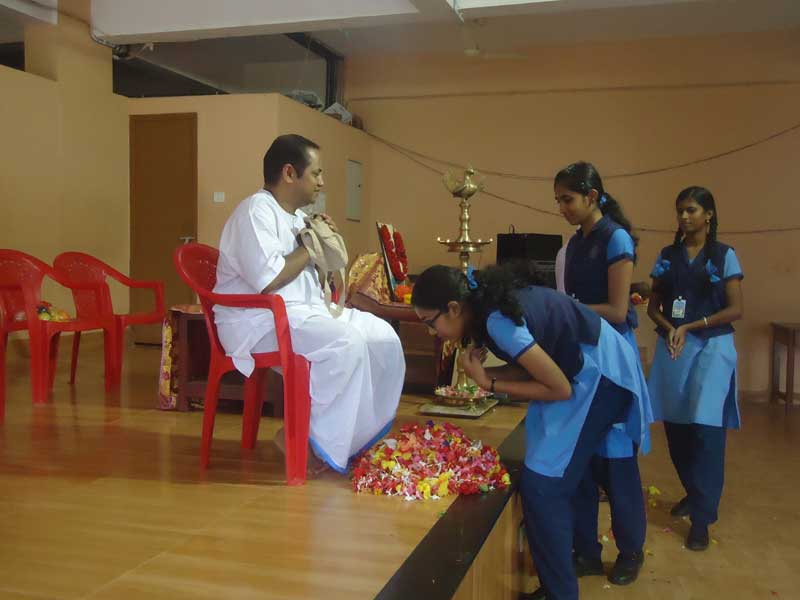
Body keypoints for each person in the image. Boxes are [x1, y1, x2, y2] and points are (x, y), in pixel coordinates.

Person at [412, 262, 649, 600]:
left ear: (453, 308)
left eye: (429, 323)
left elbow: (559, 388)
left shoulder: (497, 322)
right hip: (585, 367)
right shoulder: (485, 309)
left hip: (601, 376)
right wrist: (494, 380)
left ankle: (560, 593)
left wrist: (488, 382)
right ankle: (583, 557)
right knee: (562, 466)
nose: (431, 333)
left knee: (543, 484)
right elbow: (534, 366)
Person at [213, 134, 404, 474]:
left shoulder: (299, 217)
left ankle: (354, 442)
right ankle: (305, 440)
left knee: (383, 337)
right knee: (346, 344)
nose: (322, 182)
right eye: (316, 174)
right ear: (289, 173)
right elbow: (269, 281)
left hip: (302, 314)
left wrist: (324, 248)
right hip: (256, 324)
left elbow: (314, 281)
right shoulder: (255, 211)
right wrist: (310, 246)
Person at [554, 161, 653, 587]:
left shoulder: (616, 239)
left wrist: (563, 311)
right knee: (581, 462)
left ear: (592, 196)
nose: (562, 207)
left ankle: (631, 550)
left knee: (616, 464)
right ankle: (587, 552)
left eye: (568, 199)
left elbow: (616, 311)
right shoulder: (576, 244)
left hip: (611, 359)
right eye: (558, 200)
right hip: (583, 359)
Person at [646, 186, 744, 551]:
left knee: (706, 430)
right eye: (680, 211)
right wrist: (672, 327)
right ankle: (693, 491)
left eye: (691, 210)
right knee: (677, 427)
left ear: (709, 215)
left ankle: (703, 518)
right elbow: (653, 306)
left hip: (712, 347)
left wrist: (691, 326)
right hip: (674, 346)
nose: (684, 217)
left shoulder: (724, 255)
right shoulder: (668, 256)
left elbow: (736, 309)